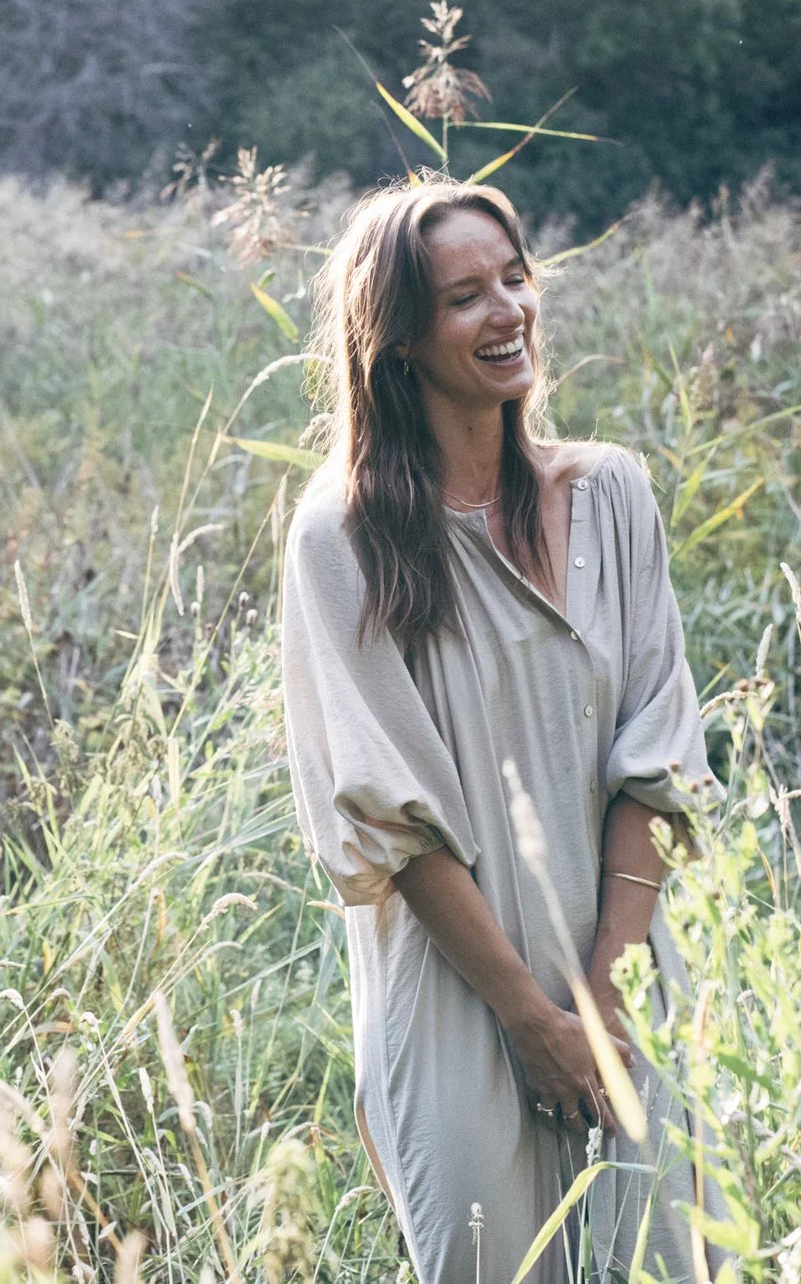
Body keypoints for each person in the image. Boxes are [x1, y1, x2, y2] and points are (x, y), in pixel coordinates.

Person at [280, 180, 714, 1282]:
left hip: (626, 978)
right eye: (465, 295)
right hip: (457, 999)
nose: (508, 310)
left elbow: (657, 761)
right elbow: (390, 816)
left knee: (669, 1261)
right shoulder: (343, 538)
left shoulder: (612, 493)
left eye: (516, 278)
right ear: (397, 337)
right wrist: (530, 1019)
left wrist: (605, 998)